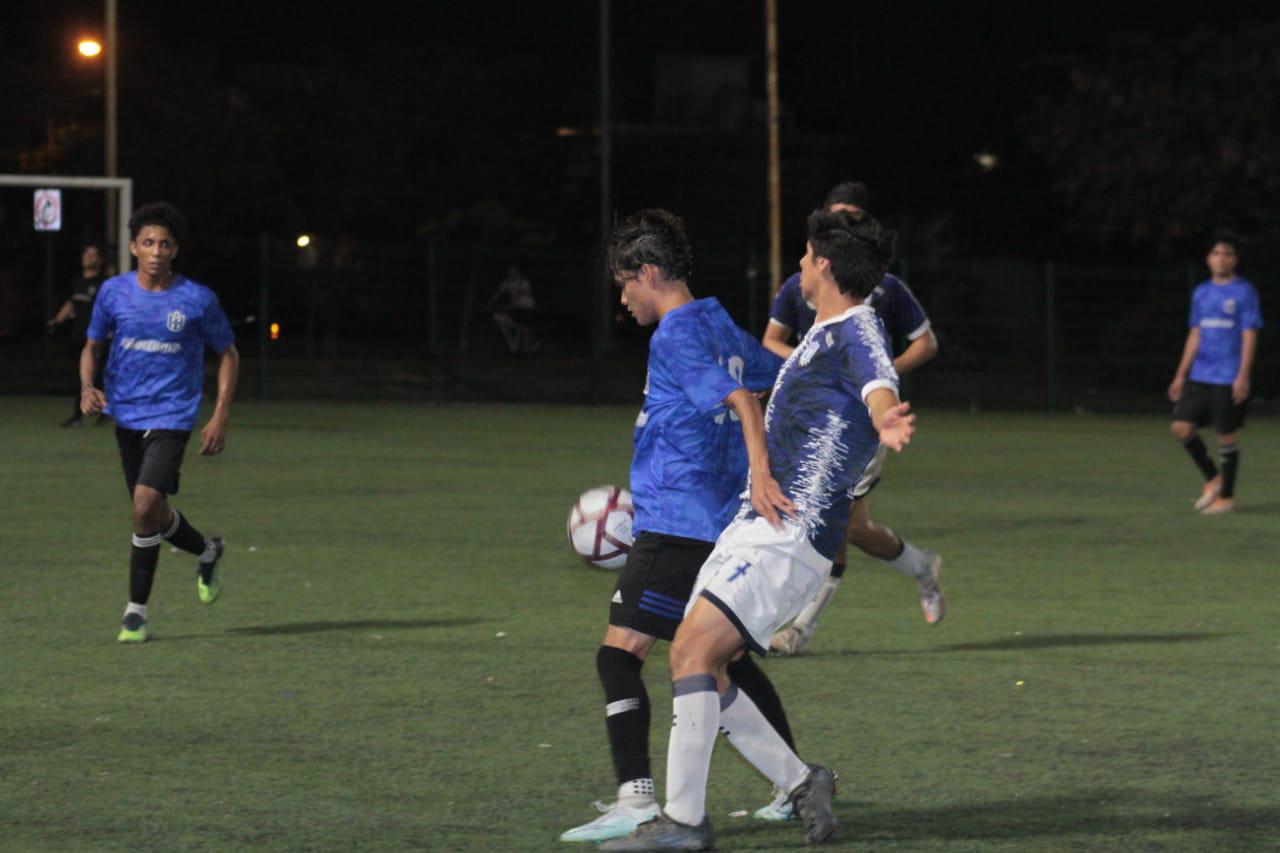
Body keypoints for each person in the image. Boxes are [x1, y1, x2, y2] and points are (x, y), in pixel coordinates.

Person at [602, 209, 915, 851]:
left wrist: (884, 416)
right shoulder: (821, 334)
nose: (796, 268)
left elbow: (877, 380)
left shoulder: (858, 329)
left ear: (823, 265)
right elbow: (765, 385)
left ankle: (684, 823)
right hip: (752, 524)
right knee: (709, 665)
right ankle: (800, 781)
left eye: (803, 258)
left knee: (691, 654)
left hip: (789, 528)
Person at [561, 209, 800, 844]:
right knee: (726, 662)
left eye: (624, 284)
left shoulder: (674, 334)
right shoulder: (715, 320)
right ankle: (796, 785)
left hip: (676, 520)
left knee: (618, 657)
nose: (623, 299)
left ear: (648, 272)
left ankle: (637, 799)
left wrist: (760, 472)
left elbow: (743, 399)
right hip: (712, 522)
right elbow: (773, 376)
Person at [764, 182, 943, 657]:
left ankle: (797, 630)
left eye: (853, 217)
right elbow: (771, 341)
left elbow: (924, 344)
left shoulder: (881, 292)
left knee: (832, 521)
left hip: (856, 424)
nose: (842, 224)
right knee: (853, 528)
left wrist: (878, 381)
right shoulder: (801, 282)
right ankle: (922, 566)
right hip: (809, 420)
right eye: (835, 216)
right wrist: (807, 367)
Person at [80, 202, 239, 643]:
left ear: (175, 250)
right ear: (134, 247)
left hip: (173, 414)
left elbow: (228, 353)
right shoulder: (113, 293)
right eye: (148, 242)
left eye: (164, 243)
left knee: (145, 504)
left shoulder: (197, 299)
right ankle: (207, 551)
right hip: (126, 413)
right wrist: (87, 386)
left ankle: (136, 612)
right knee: (151, 512)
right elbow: (92, 346)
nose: (156, 251)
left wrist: (220, 413)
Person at [1168, 230, 1263, 515]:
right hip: (1200, 374)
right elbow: (1195, 333)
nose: (1221, 259)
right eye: (1216, 253)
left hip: (1227, 375)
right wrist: (1181, 374)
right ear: (1208, 259)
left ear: (1235, 260)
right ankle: (1213, 479)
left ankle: (1227, 498)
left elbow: (1249, 335)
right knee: (1181, 426)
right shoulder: (1201, 292)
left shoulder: (1244, 291)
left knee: (1225, 435)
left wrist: (1242, 376)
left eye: (1228, 254)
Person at [49, 242, 108, 427]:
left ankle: (102, 412)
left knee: (100, 375)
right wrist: (57, 320)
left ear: (100, 260)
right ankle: (79, 415)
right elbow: (71, 303)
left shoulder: (105, 284)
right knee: (82, 377)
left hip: (99, 338)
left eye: (93, 254)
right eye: (87, 254)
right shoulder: (77, 281)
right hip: (79, 336)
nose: (89, 258)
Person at [483, 263, 539, 353]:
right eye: (509, 271)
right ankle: (518, 342)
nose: (511, 272)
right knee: (498, 317)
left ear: (518, 271)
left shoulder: (524, 282)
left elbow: (520, 295)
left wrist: (509, 305)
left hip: (526, 306)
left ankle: (527, 342)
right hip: (515, 307)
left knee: (522, 322)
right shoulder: (506, 282)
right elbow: (497, 294)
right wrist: (488, 304)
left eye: (513, 270)